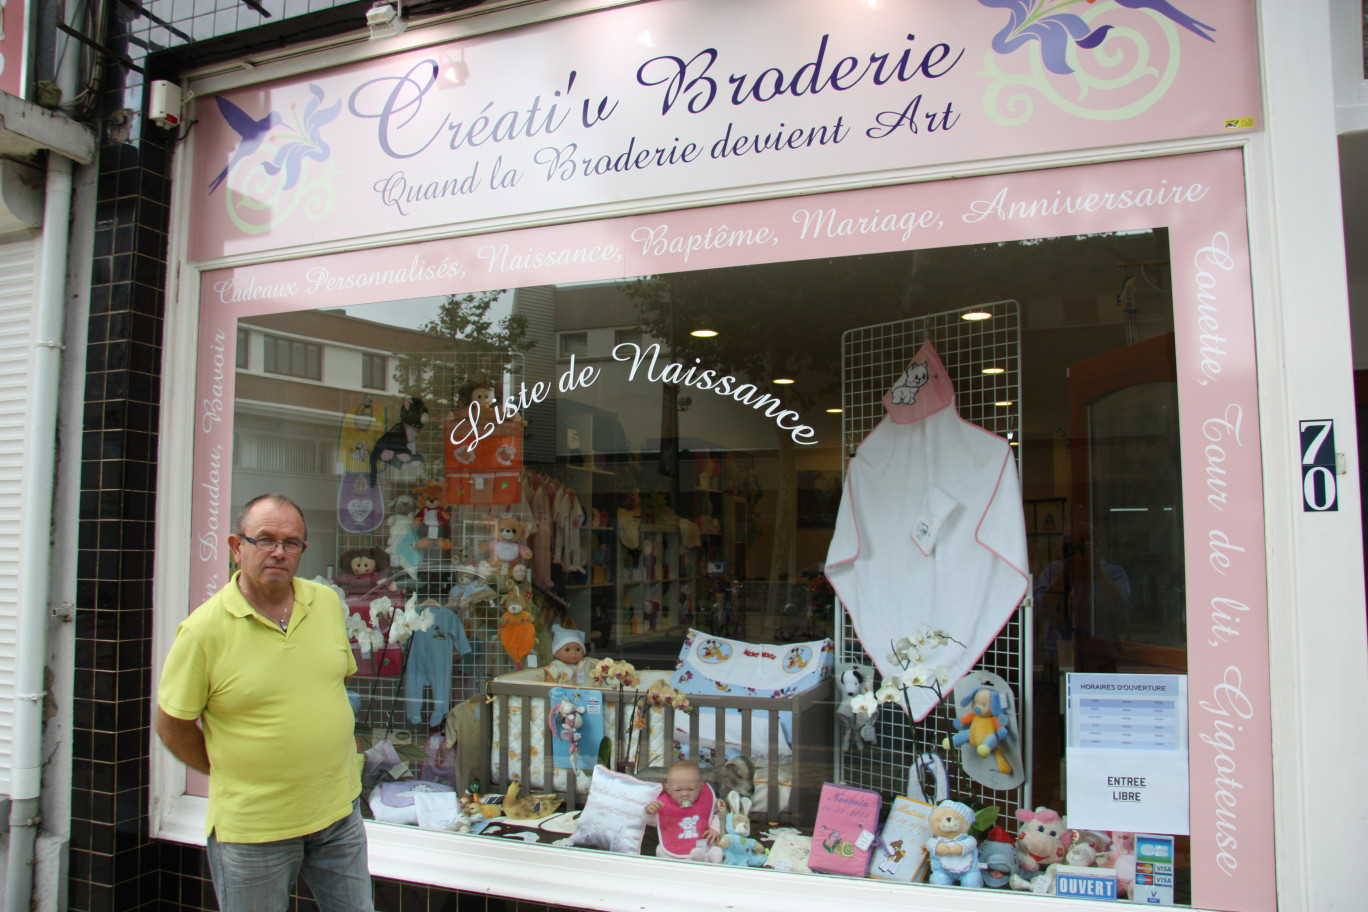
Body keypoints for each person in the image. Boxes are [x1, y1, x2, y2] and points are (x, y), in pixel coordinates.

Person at [156, 493, 373, 912]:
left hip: (338, 817)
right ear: (237, 547)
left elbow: (330, 685)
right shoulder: (203, 632)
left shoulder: (325, 603)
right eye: (265, 539)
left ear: (303, 551)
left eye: (291, 542)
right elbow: (171, 725)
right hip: (255, 832)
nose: (279, 552)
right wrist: (227, 766)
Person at [643, 760, 723, 862]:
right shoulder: (664, 803)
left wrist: (715, 829)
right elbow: (653, 822)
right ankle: (690, 861)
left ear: (701, 786)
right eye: (678, 790)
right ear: (668, 789)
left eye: (691, 789)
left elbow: (719, 814)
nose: (684, 794)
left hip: (702, 846)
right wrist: (649, 812)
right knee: (660, 851)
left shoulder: (706, 798)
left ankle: (703, 859)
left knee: (713, 846)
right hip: (673, 851)